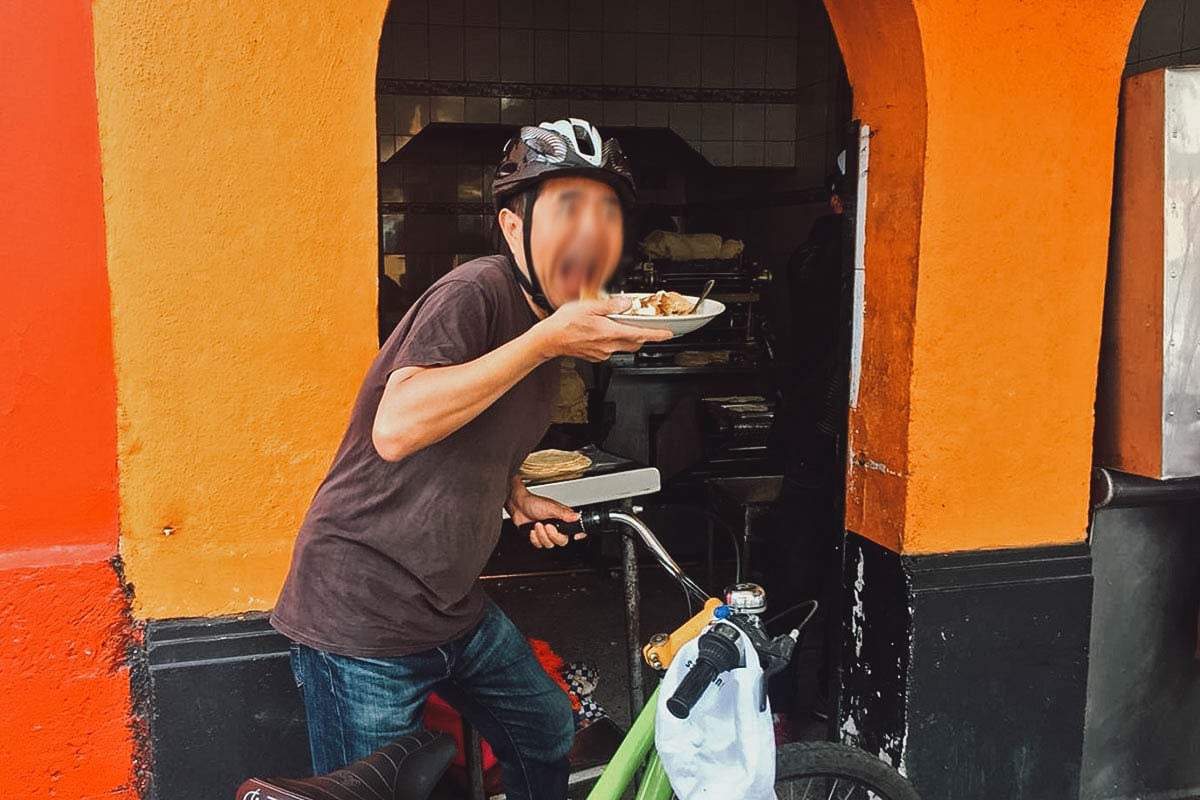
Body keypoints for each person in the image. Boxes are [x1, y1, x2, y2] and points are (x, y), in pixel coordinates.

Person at [270, 118, 671, 800]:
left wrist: (515, 493)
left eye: (607, 213)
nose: (591, 230)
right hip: (364, 611)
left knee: (544, 726)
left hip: (452, 605)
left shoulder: (550, 317)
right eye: (568, 208)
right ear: (513, 228)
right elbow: (397, 427)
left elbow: (476, 425)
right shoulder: (477, 293)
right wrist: (545, 341)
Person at [765, 160, 851, 734]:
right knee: (804, 576)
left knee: (821, 577)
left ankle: (808, 698)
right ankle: (787, 703)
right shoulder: (824, 257)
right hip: (819, 447)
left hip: (830, 447)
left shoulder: (816, 255)